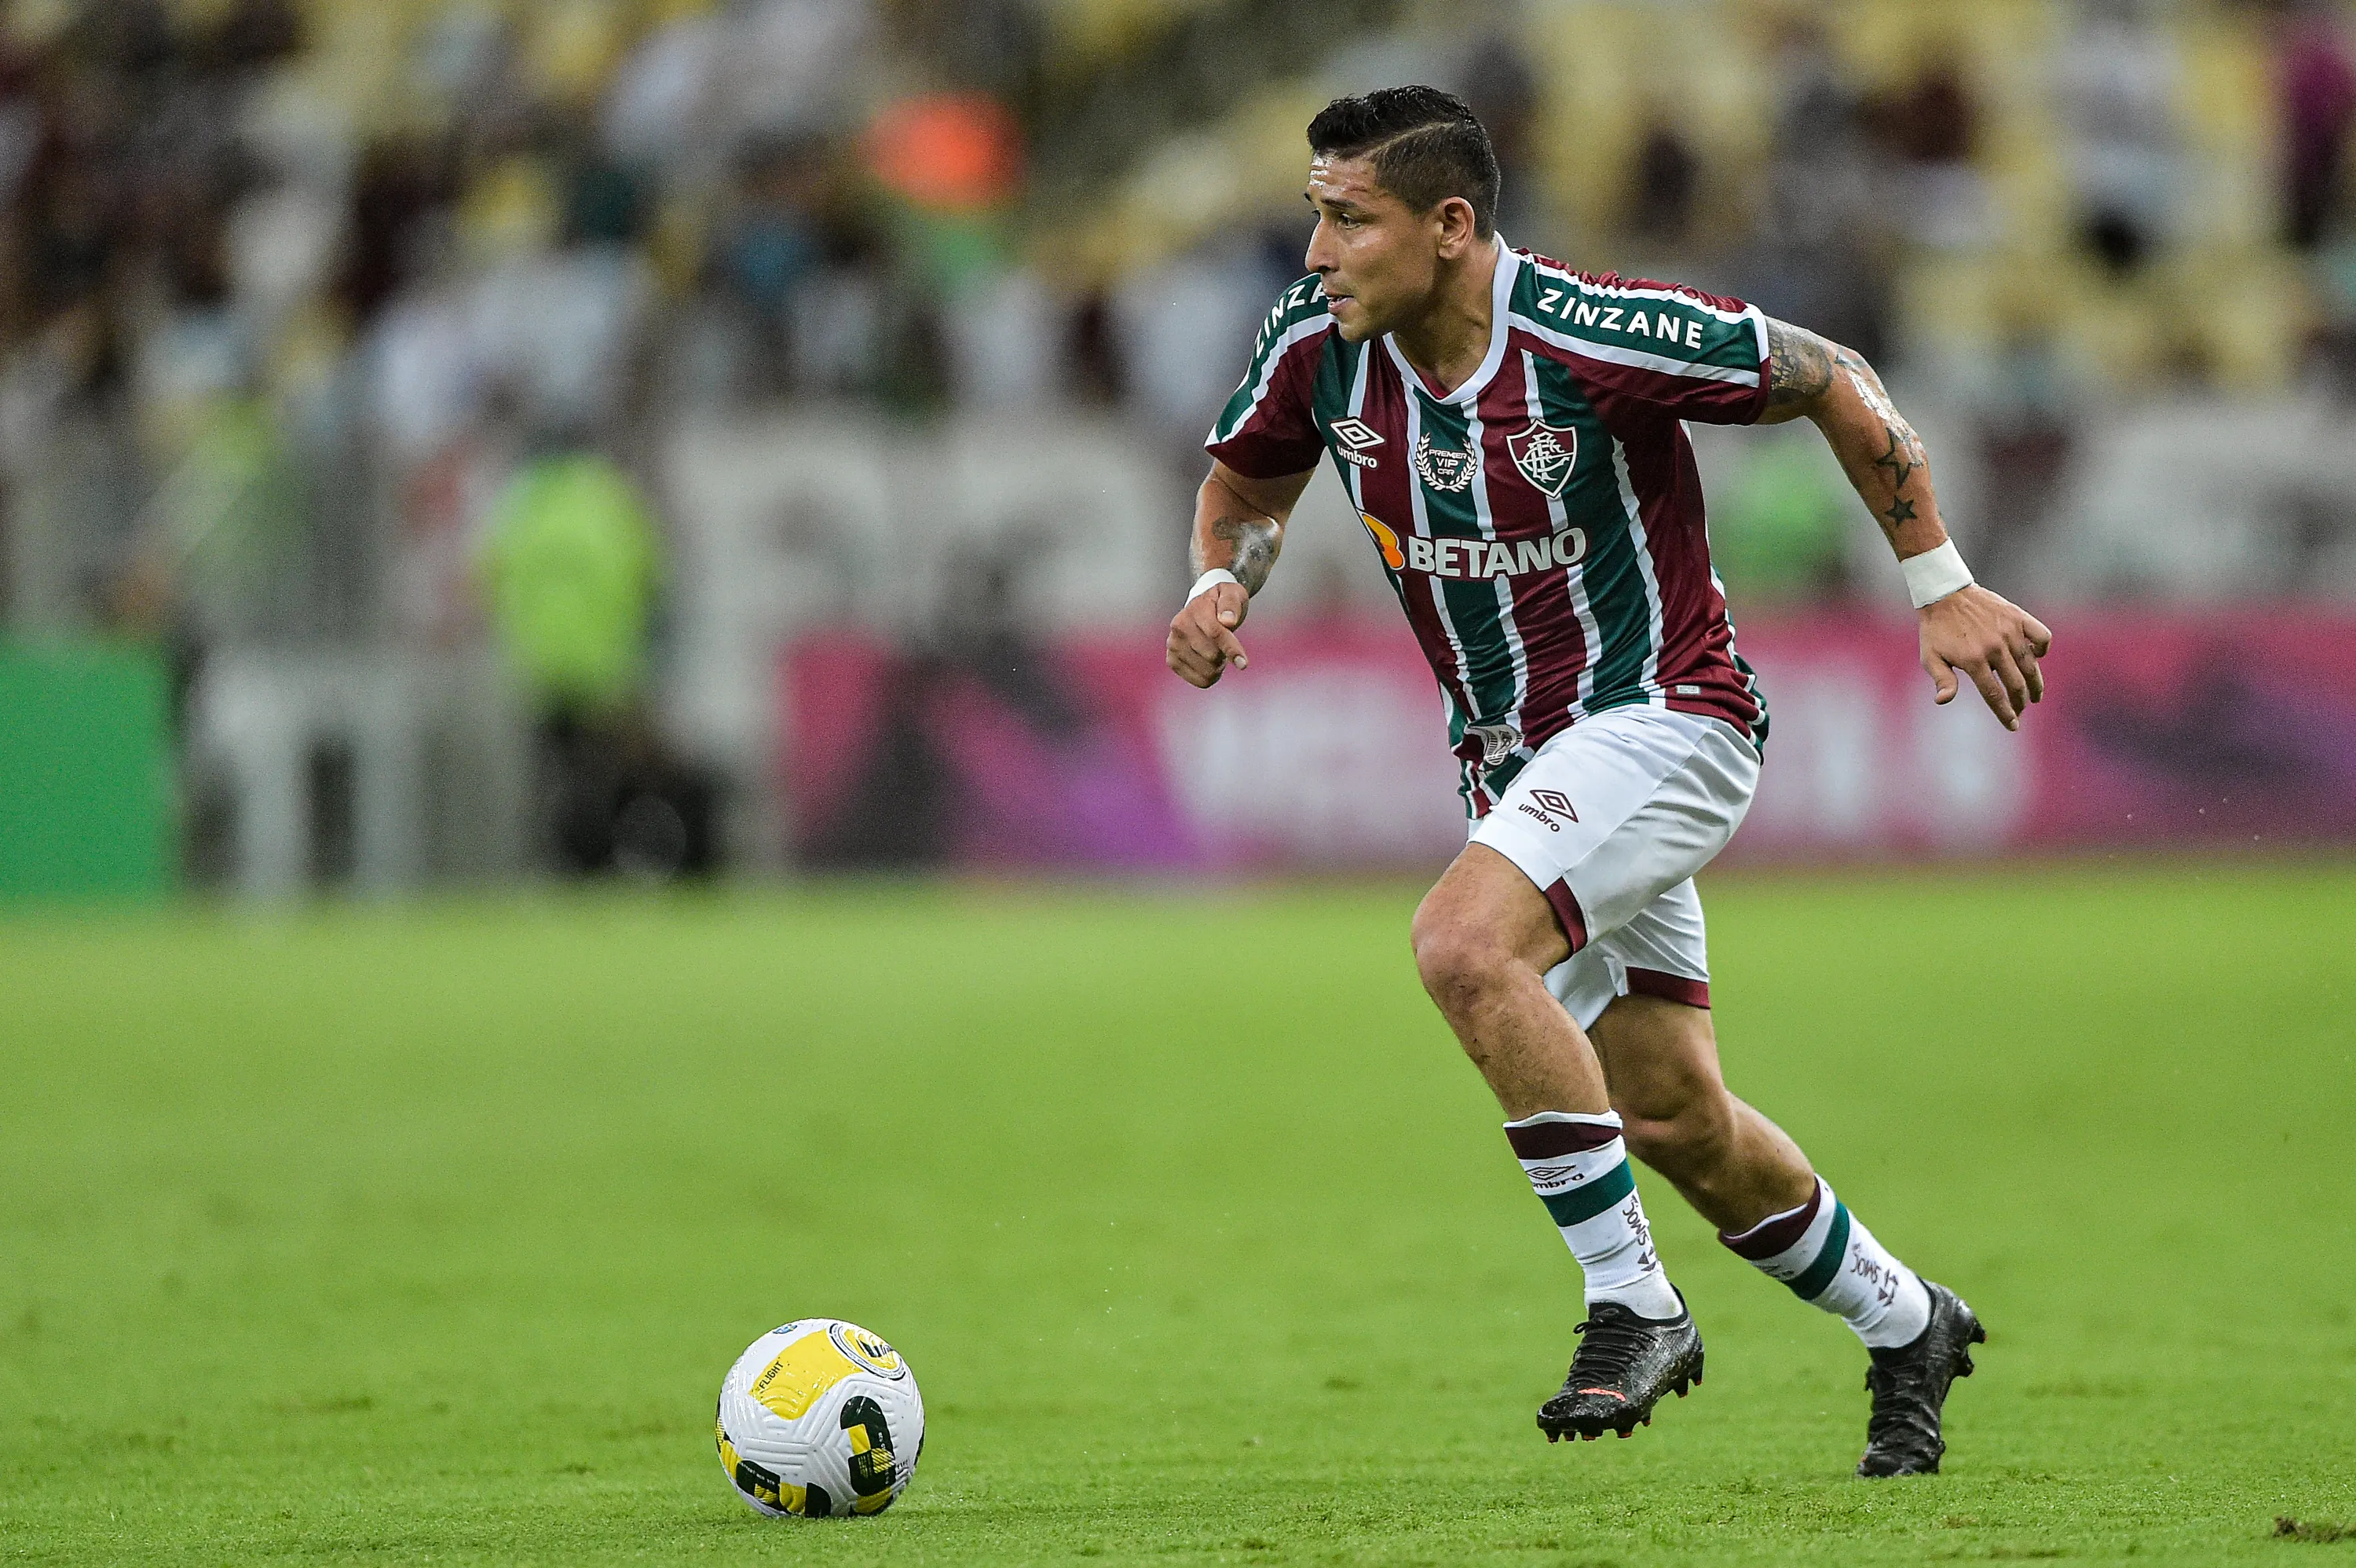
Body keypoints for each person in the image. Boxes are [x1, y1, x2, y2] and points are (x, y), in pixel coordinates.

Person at [1164, 87, 2051, 1477]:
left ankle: (1632, 1304)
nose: (1319, 250)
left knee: (1461, 946)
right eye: (1315, 216)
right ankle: (1909, 1321)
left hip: (1670, 719)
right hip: (1515, 765)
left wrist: (1940, 582)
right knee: (1675, 1118)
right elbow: (1248, 484)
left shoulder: (1594, 332)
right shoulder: (1317, 345)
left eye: (1350, 219)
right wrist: (1223, 578)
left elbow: (1826, 371)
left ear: (1451, 229)